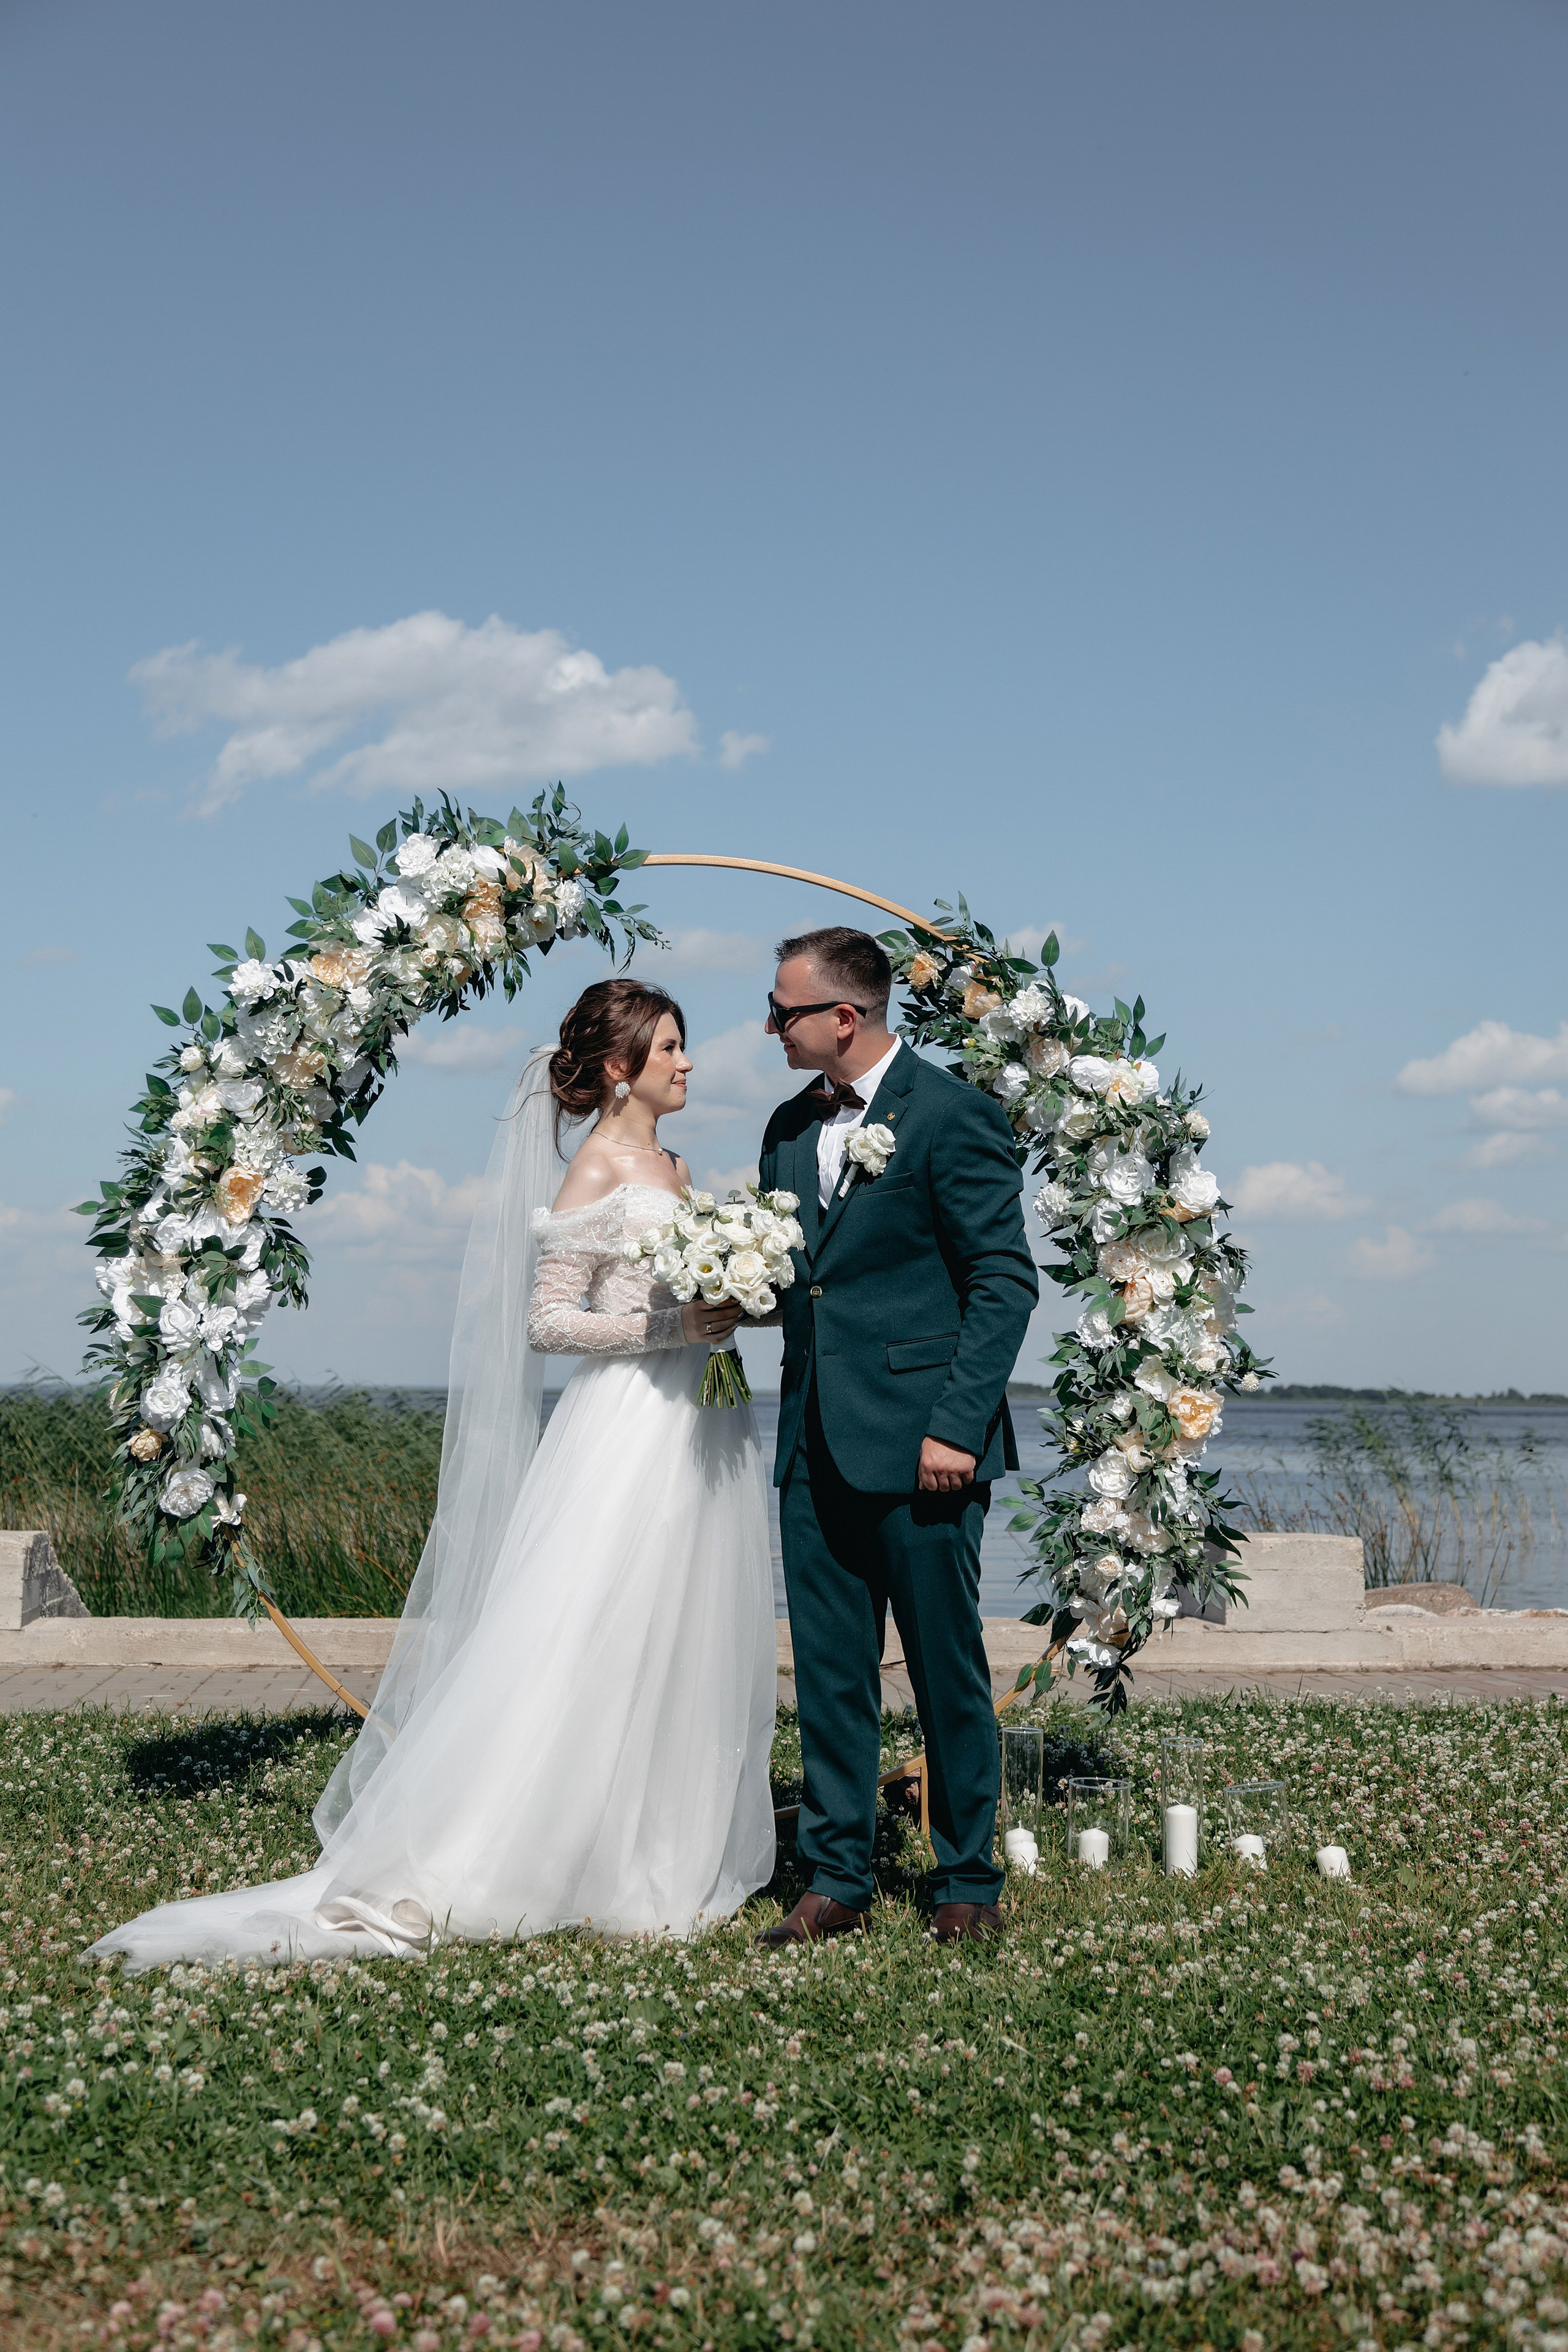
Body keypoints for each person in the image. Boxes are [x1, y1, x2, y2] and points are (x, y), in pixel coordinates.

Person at [89, 978, 777, 1970]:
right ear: (622, 1067)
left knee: (679, 1636)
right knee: (593, 1632)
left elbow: (693, 1291)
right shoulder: (592, 1171)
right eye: (672, 1045)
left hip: (701, 1424)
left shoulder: (675, 1165)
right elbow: (548, 1323)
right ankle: (520, 1844)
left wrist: (736, 1300)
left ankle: (650, 1844)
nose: (688, 1062)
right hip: (625, 1429)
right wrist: (672, 1326)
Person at [755, 927, 1038, 1947]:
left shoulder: (956, 1116)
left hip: (927, 1449)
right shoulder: (789, 1126)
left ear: (845, 1015)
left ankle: (967, 1877)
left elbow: (1004, 1280)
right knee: (829, 1675)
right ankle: (837, 1878)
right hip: (811, 1446)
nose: (769, 1026)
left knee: (944, 1669)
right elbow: (802, 1278)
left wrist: (957, 1427)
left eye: (782, 1010)